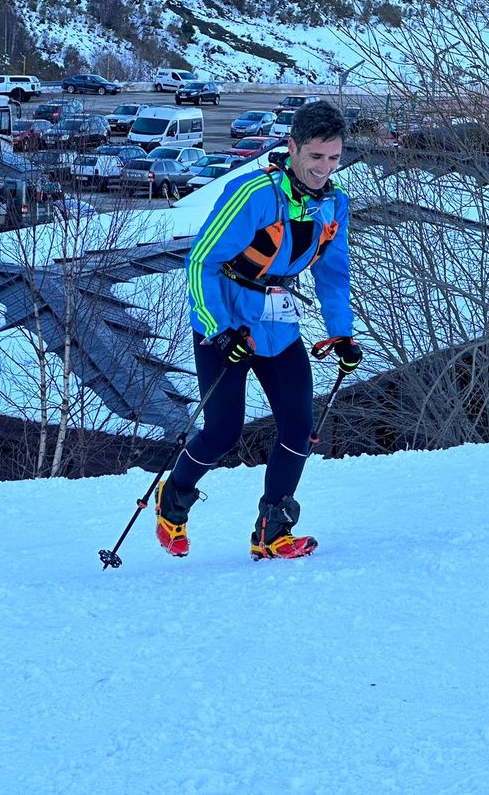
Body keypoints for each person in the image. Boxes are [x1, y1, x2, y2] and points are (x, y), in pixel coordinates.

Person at [155, 100, 363, 561]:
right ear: (292, 149)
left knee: (298, 426)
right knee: (223, 431)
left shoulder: (335, 205)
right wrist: (217, 328)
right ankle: (173, 501)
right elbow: (200, 261)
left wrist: (342, 333)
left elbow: (333, 274)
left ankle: (273, 530)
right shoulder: (254, 195)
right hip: (227, 320)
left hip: (279, 324)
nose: (323, 168)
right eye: (315, 157)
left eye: (333, 158)